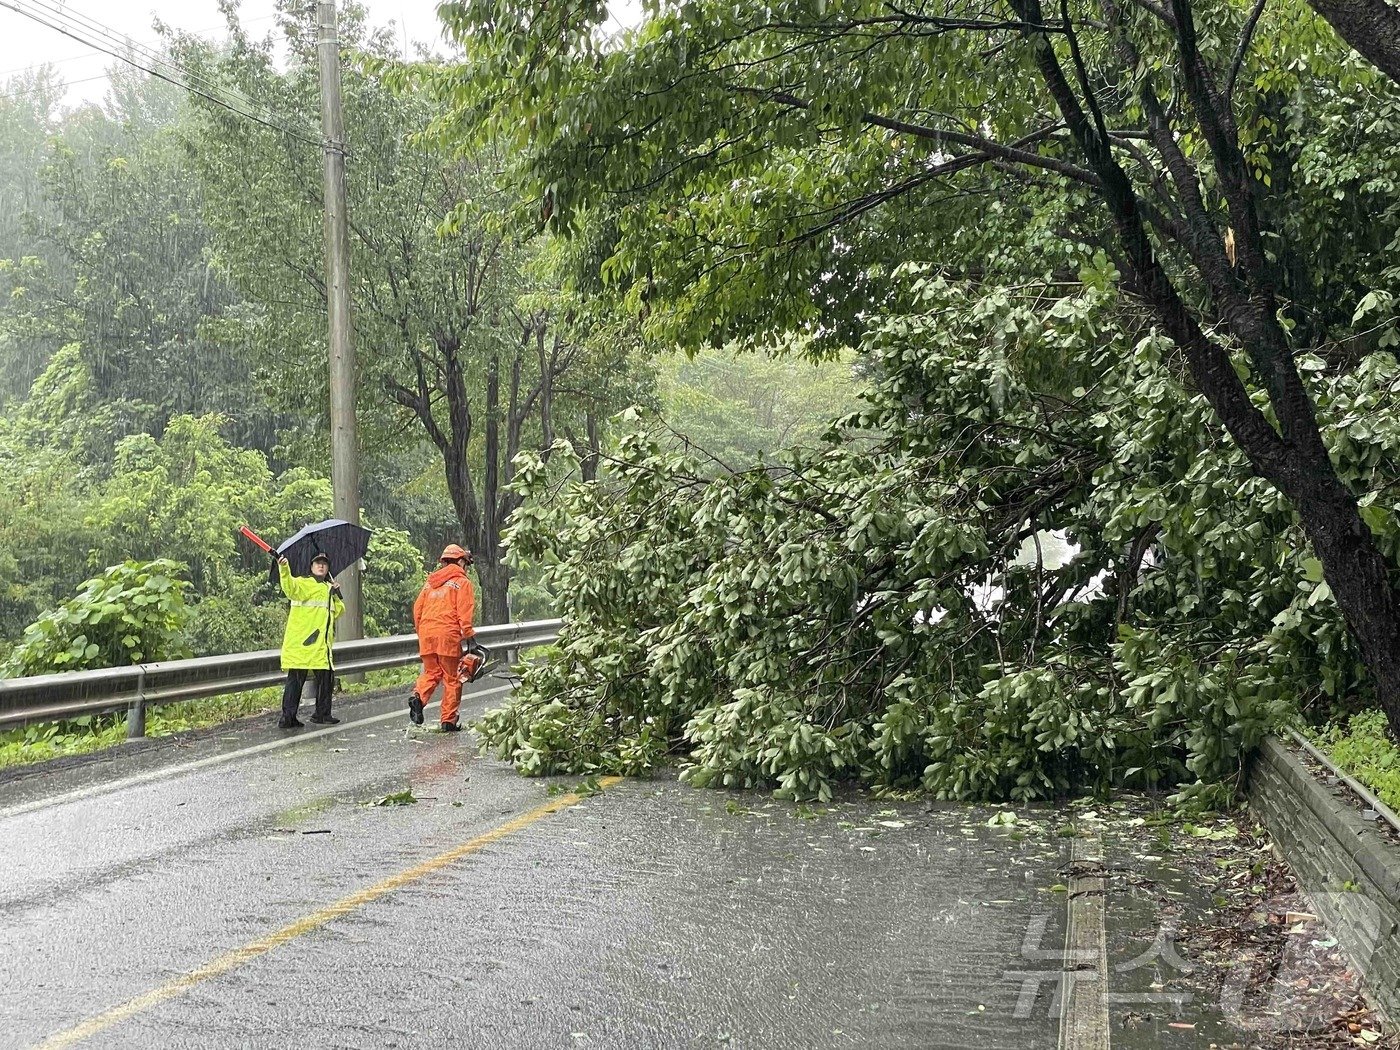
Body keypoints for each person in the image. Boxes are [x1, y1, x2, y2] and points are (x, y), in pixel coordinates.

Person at [410, 543, 476, 731]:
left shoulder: (430, 583)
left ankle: (418, 698)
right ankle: (448, 721)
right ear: (461, 561)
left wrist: (422, 632)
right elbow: (464, 613)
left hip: (426, 634)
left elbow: (417, 610)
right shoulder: (462, 583)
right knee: (452, 677)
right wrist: (469, 635)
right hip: (447, 635)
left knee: (431, 673)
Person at [277, 552, 344, 729]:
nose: (321, 566)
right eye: (317, 563)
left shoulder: (327, 588)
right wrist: (284, 567)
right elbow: (289, 587)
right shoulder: (303, 583)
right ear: (311, 567)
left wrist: (336, 593)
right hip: (303, 643)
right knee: (296, 680)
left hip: (321, 646)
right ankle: (288, 717)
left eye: (324, 564)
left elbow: (338, 611)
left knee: (326, 678)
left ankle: (321, 714)